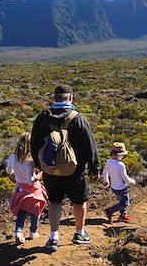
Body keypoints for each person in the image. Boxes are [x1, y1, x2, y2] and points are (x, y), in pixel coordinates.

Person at [31, 84, 100, 253]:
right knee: (79, 201)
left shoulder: (43, 118)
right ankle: (79, 233)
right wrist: (94, 168)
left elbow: (34, 143)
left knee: (54, 201)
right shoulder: (78, 118)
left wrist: (39, 164)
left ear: (54, 98)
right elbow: (90, 146)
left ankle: (53, 237)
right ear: (70, 98)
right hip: (74, 170)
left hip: (50, 169)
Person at [6, 132, 47, 243]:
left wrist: (17, 172)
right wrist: (41, 174)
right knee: (35, 210)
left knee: (22, 211)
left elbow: (8, 171)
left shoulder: (11, 157)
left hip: (20, 188)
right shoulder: (29, 162)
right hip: (33, 189)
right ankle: (33, 232)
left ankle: (18, 232)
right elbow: (30, 181)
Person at [103, 142, 136, 223]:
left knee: (122, 200)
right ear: (120, 155)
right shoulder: (121, 165)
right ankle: (109, 211)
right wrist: (131, 181)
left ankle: (123, 215)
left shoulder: (109, 162)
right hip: (121, 187)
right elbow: (125, 177)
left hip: (114, 187)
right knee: (125, 203)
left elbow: (105, 172)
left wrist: (106, 181)